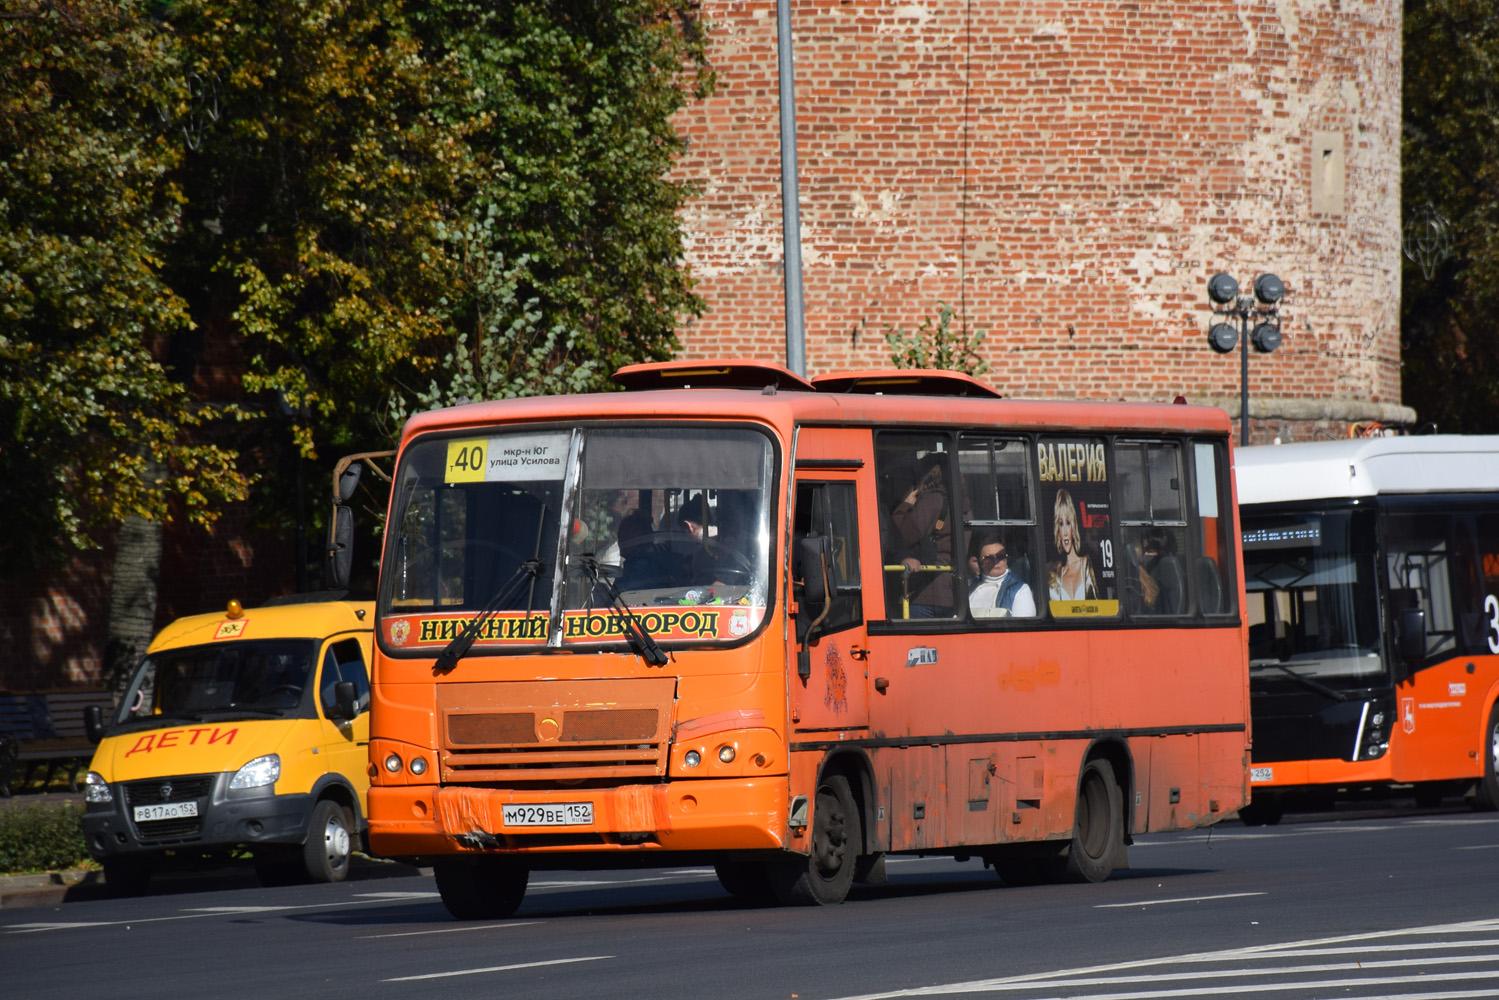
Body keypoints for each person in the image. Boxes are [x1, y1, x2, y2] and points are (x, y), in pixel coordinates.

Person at [891, 454, 956, 617]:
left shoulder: (933, 499)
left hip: (925, 594)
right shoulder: (962, 503)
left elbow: (906, 533)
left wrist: (903, 506)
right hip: (951, 592)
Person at [968, 534, 1035, 618]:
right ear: (980, 562)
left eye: (1000, 556)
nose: (995, 561)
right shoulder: (969, 588)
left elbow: (1023, 627)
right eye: (989, 558)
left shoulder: (1020, 590)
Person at [1048, 487, 1098, 601]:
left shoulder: (1086, 564)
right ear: (1057, 531)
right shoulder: (1056, 575)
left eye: (1068, 523)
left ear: (1073, 527)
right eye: (1061, 524)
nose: (1065, 532)